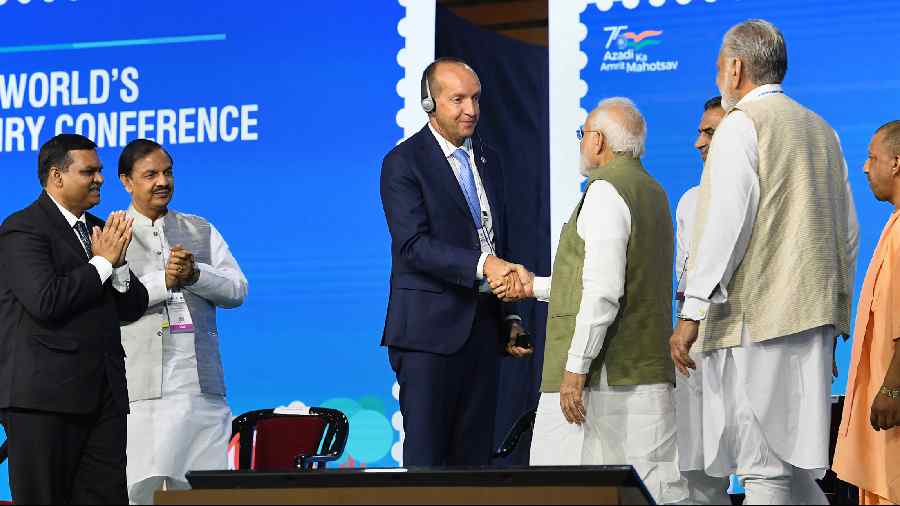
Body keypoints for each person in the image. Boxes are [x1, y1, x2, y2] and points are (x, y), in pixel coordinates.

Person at [669, 19, 859, 504]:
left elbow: (723, 230)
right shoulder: (824, 130)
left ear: (735, 68)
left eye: (717, 68)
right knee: (794, 470)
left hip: (758, 322)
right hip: (813, 321)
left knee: (762, 467)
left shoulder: (741, 124)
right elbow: (848, 233)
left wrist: (691, 314)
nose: (718, 79)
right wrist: (836, 313)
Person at [502, 97, 687, 505]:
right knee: (652, 490)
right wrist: (532, 288)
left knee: (563, 491)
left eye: (582, 134)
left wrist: (574, 370)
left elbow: (603, 291)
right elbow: (600, 281)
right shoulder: (654, 192)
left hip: (606, 384)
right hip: (645, 377)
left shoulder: (605, 192)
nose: (581, 143)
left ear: (598, 140)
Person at [379, 57, 531, 466]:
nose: (472, 110)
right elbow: (413, 245)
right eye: (458, 99)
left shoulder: (489, 159)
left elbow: (498, 241)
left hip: (483, 333)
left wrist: (510, 315)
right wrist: (485, 266)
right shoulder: (402, 162)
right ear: (429, 103)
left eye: (476, 98)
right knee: (427, 466)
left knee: (474, 467)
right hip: (427, 337)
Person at [0, 134, 149, 504]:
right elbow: (46, 301)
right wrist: (101, 263)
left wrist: (117, 266)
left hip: (104, 397)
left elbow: (132, 308)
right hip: (43, 401)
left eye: (100, 171)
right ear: (57, 176)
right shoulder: (22, 229)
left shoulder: (99, 230)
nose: (100, 178)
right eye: (90, 171)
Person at [116, 139, 248, 504]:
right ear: (127, 181)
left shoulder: (199, 229)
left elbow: (237, 289)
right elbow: (111, 300)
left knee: (203, 492)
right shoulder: (113, 233)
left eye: (168, 172)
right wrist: (164, 282)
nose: (163, 181)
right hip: (139, 392)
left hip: (200, 390)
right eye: (150, 174)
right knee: (136, 491)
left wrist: (195, 276)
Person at [833, 121, 900, 505]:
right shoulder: (893, 224)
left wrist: (891, 387)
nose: (864, 167)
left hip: (893, 398)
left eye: (872, 157)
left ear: (896, 163)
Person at [674, 96, 731, 505]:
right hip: (692, 351)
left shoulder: (757, 198)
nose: (698, 142)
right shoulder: (690, 201)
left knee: (759, 463)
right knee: (694, 466)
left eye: (709, 132)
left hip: (739, 345)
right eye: (700, 131)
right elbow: (684, 278)